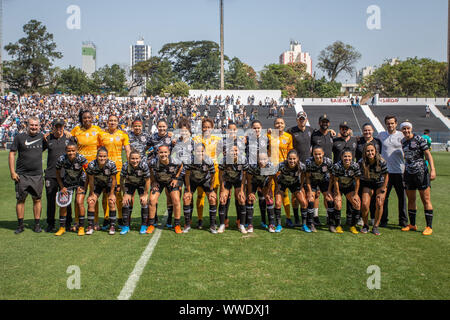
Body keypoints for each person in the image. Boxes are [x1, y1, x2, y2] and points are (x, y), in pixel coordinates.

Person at [9, 116, 48, 234]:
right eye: (32, 125)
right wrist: (12, 172)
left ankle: (37, 225)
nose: (34, 127)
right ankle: (20, 225)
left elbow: (55, 137)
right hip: (22, 175)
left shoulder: (42, 137)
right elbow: (12, 154)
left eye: (36, 125)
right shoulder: (19, 137)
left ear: (39, 126)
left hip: (37, 175)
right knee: (21, 200)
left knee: (37, 199)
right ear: (27, 125)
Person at [399, 122, 436, 235]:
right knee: (411, 200)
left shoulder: (419, 139)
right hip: (409, 174)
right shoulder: (403, 141)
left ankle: (429, 226)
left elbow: (428, 154)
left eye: (408, 128)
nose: (406, 130)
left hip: (421, 174)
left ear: (411, 128)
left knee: (425, 200)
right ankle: (412, 224)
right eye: (404, 129)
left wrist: (432, 169)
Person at [71, 110, 103, 230]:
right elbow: (67, 136)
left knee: (93, 195)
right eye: (84, 118)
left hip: (94, 169)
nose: (87, 120)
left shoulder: (97, 130)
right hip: (80, 169)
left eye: (89, 117)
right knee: (78, 196)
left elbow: (102, 147)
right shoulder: (76, 130)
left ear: (92, 118)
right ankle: (77, 221)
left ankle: (95, 221)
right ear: (81, 119)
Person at [98, 114, 131, 230]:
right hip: (104, 169)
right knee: (105, 195)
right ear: (107, 122)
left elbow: (128, 151)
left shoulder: (123, 135)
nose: (112, 122)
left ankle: (121, 218)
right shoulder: (101, 134)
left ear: (118, 122)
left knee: (117, 194)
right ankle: (107, 218)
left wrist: (129, 166)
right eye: (110, 121)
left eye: (114, 121)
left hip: (118, 169)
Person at [43, 119, 74, 232]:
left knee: (67, 200)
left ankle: (68, 223)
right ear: (53, 127)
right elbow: (38, 151)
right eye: (56, 126)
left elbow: (77, 148)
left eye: (61, 126)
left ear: (64, 127)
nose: (59, 128)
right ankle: (50, 224)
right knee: (50, 200)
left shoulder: (69, 138)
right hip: (51, 174)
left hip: (66, 175)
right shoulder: (47, 138)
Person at [377, 115, 408, 228]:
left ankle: (403, 221)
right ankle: (383, 220)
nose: (390, 125)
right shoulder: (381, 135)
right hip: (386, 172)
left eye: (392, 123)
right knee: (384, 197)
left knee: (402, 198)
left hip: (400, 171)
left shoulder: (402, 135)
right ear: (386, 124)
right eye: (388, 123)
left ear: (396, 124)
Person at [54, 141, 89, 236]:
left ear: (76, 150)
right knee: (63, 203)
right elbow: (57, 173)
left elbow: (89, 173)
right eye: (69, 151)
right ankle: (62, 228)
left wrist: (84, 188)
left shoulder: (81, 158)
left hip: (80, 182)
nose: (71, 153)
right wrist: (62, 187)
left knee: (79, 202)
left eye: (73, 150)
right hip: (67, 182)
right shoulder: (61, 159)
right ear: (66, 151)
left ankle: (81, 227)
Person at [147, 145, 184, 234]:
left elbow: (181, 166)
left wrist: (176, 178)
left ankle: (177, 225)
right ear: (158, 153)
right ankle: (151, 224)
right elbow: (150, 169)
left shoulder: (175, 160)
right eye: (161, 152)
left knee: (176, 200)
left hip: (170, 181)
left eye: (165, 152)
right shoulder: (153, 162)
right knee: (152, 200)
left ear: (169, 153)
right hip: (159, 182)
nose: (163, 154)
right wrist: (153, 181)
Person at [193, 118, 221, 229]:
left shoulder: (217, 139)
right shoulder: (196, 139)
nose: (206, 129)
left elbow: (220, 153)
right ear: (201, 128)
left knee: (213, 195)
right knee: (200, 195)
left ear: (212, 128)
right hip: (201, 171)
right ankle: (200, 219)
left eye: (209, 127)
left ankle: (213, 220)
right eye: (204, 127)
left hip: (214, 171)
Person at [183, 143, 217, 233]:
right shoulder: (190, 160)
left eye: (202, 151)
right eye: (198, 151)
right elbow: (186, 176)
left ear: (204, 151)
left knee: (212, 198)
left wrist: (211, 190)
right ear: (194, 152)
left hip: (205, 181)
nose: (200, 153)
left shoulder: (208, 160)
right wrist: (188, 191)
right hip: (193, 181)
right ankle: (187, 225)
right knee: (186, 198)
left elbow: (213, 176)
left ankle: (213, 225)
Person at [268, 117, 294, 227]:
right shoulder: (269, 135)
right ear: (274, 125)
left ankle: (288, 217)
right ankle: (272, 219)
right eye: (277, 123)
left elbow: (290, 153)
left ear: (284, 125)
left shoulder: (289, 137)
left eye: (281, 123)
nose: (279, 125)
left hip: (283, 169)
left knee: (284, 194)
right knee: (271, 193)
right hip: (272, 168)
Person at [86, 147, 118, 235]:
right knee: (91, 202)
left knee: (111, 201)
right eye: (100, 156)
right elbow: (91, 180)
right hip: (97, 184)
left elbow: (114, 180)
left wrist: (112, 194)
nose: (102, 158)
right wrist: (91, 194)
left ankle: (112, 226)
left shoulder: (111, 164)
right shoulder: (92, 165)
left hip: (109, 184)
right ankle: (90, 226)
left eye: (104, 156)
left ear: (107, 157)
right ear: (96, 156)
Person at [358, 143, 389, 236]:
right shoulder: (361, 162)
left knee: (379, 203)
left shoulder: (381, 161)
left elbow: (386, 175)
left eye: (372, 150)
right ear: (365, 152)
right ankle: (365, 225)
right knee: (364, 204)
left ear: (375, 151)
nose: (370, 152)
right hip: (367, 183)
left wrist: (384, 187)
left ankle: (375, 226)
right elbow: (358, 175)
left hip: (380, 184)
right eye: (368, 151)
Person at [329, 149, 362, 234]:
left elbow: (357, 181)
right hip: (339, 187)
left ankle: (352, 226)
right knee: (338, 203)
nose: (347, 158)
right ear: (341, 157)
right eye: (345, 156)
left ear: (352, 157)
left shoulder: (355, 166)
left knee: (357, 203)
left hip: (349, 187)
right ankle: (338, 225)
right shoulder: (337, 166)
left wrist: (356, 194)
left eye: (349, 156)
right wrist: (337, 193)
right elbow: (335, 180)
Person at [218, 144, 249, 234]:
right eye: (232, 151)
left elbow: (244, 176)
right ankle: (222, 224)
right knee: (223, 199)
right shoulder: (224, 160)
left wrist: (242, 190)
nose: (234, 152)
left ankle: (242, 225)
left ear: (239, 151)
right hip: (227, 180)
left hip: (238, 180)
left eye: (236, 150)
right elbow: (220, 175)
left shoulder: (243, 159)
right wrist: (222, 189)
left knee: (242, 199)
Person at [274, 150, 307, 233]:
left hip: (294, 184)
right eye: (290, 159)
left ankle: (304, 225)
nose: (292, 161)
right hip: (282, 183)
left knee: (303, 202)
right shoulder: (282, 165)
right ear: (287, 159)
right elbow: (273, 173)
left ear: (298, 159)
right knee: (278, 203)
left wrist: (301, 184)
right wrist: (276, 184)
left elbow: (304, 174)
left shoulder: (301, 166)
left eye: (294, 159)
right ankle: (278, 225)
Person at [120, 149, 150, 235]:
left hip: (141, 184)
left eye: (137, 158)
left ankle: (144, 225)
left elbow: (148, 181)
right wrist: (124, 193)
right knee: (125, 202)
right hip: (130, 183)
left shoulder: (144, 165)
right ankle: (126, 226)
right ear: (129, 159)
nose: (135, 161)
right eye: (132, 158)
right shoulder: (125, 166)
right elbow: (121, 180)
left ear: (140, 158)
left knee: (144, 202)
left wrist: (145, 194)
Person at [305, 146, 334, 232]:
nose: (318, 156)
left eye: (319, 154)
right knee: (311, 199)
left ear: (323, 154)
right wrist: (310, 191)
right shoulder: (309, 162)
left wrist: (329, 190)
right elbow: (307, 177)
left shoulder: (328, 162)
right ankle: (310, 223)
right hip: (313, 182)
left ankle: (331, 224)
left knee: (329, 199)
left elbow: (332, 176)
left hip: (324, 181)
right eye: (315, 154)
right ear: (313, 154)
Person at [246, 152, 276, 233]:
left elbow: (270, 180)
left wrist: (267, 192)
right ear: (257, 159)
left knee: (269, 199)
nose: (262, 161)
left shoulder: (271, 166)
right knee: (249, 199)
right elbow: (248, 180)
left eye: (264, 159)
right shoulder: (252, 166)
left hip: (265, 183)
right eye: (260, 159)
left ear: (268, 159)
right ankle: (249, 225)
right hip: (254, 182)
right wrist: (250, 192)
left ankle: (271, 224)